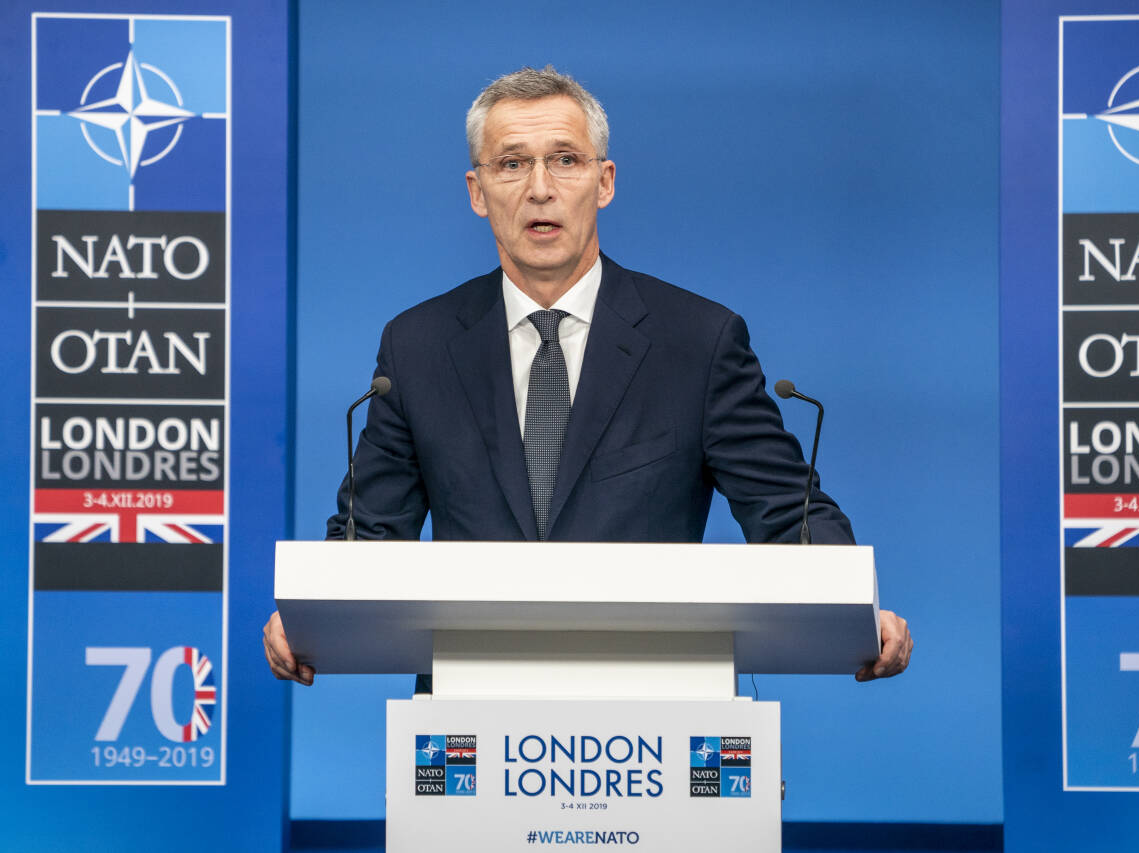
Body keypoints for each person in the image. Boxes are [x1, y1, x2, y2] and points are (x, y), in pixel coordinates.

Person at [263, 66, 911, 686]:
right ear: (476, 191)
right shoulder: (419, 346)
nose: (539, 187)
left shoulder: (696, 341)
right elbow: (370, 536)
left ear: (604, 182)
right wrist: (310, 615)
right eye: (512, 163)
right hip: (472, 725)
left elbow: (787, 513)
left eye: (565, 160)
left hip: (658, 722)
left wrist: (856, 610)